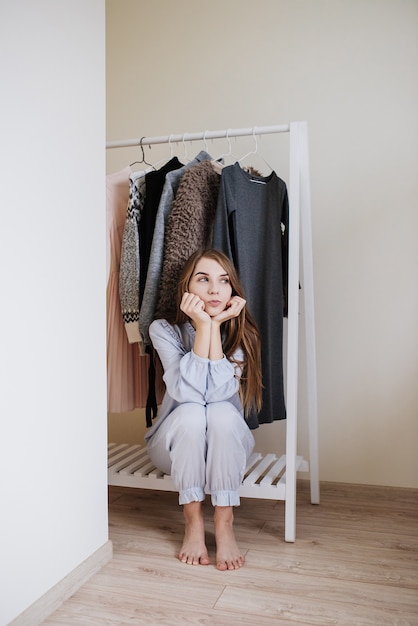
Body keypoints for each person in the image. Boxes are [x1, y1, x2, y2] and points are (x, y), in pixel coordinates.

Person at [145, 248, 262, 571]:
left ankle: (225, 520)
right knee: (194, 411)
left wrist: (216, 325)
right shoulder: (163, 330)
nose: (214, 290)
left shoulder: (241, 332)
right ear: (187, 288)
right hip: (173, 445)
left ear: (232, 289)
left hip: (226, 446)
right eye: (203, 279)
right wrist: (205, 326)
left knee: (222, 412)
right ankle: (192, 519)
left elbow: (220, 394)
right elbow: (188, 393)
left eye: (224, 281)